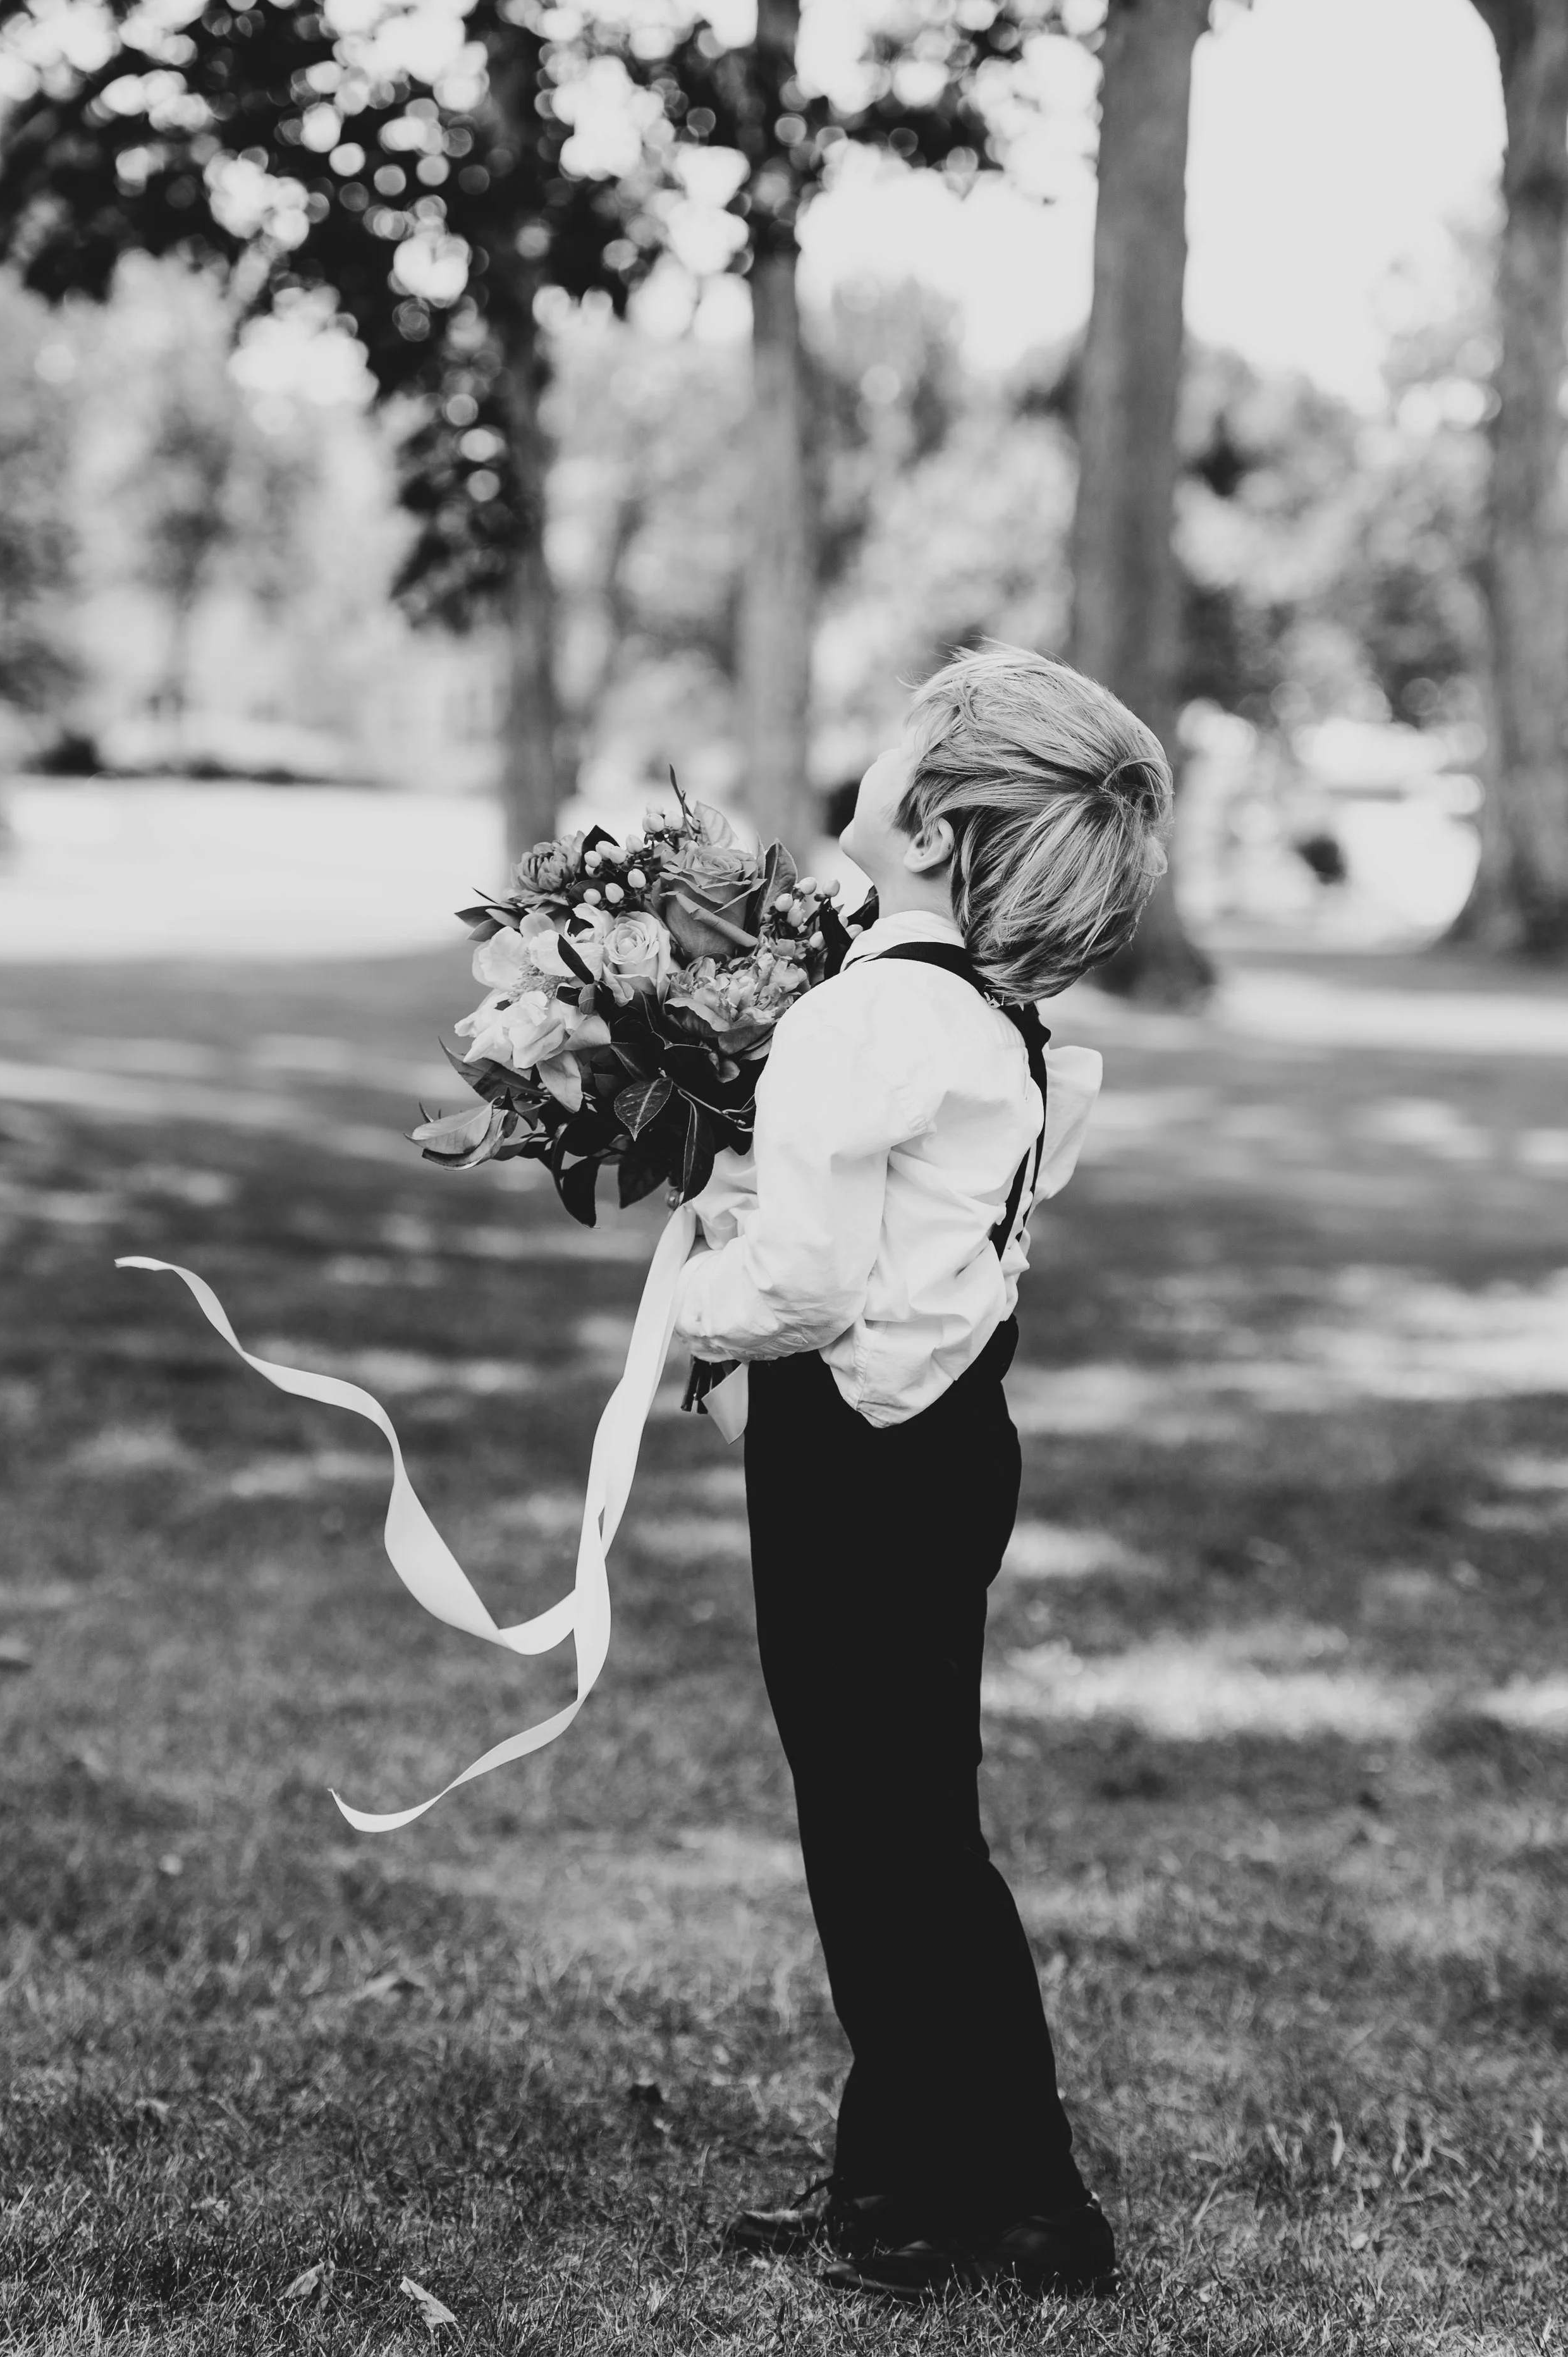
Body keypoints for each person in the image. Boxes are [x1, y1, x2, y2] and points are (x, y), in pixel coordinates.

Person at [673, 642, 1172, 2303]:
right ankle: (896, 2173)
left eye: (899, 748)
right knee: (902, 1820)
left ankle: (1017, 2204)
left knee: (886, 1838)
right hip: (951, 1441)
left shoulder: (862, 1015)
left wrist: (690, 1297)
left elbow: (805, 1280)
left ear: (941, 825)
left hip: (852, 1455)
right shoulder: (987, 1018)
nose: (866, 763)